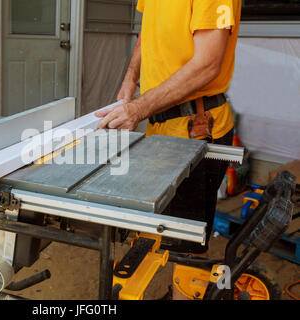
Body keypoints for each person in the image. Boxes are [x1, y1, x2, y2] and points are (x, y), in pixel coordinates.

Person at [96, 0, 242, 299]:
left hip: (195, 127)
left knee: (187, 243)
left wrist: (139, 108)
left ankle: (185, 294)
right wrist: (129, 81)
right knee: (172, 233)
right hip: (163, 127)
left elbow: (208, 63)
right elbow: (146, 35)